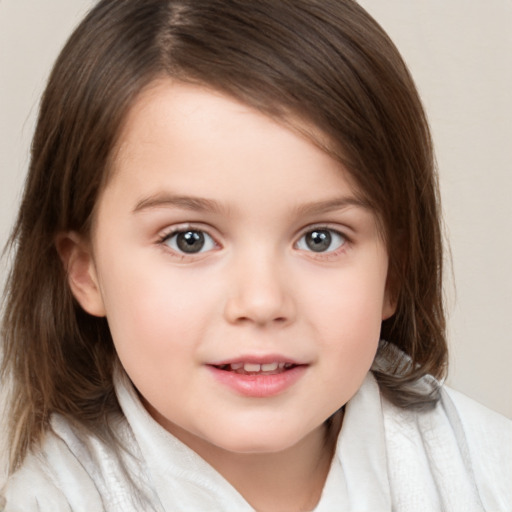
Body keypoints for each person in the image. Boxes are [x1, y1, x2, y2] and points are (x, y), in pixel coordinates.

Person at [0, 0, 510, 510]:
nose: (262, 302)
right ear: (85, 271)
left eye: (320, 238)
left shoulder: (492, 475)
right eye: (189, 239)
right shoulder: (51, 501)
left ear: (394, 272)